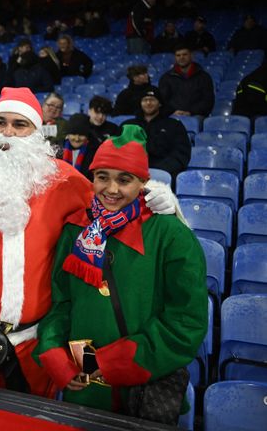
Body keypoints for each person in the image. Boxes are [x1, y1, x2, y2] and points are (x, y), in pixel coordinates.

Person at [0, 87, 178, 396]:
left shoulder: (62, 179)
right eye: (0, 122)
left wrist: (149, 199)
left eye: (20, 125)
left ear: (36, 131)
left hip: (28, 341)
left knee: (26, 418)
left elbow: (110, 207)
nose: (8, 133)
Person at [33, 125, 206, 423]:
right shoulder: (76, 229)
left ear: (143, 182)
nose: (111, 189)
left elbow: (186, 322)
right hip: (84, 389)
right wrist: (54, 353)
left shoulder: (172, 235)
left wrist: (112, 363)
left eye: (124, 180)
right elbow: (61, 303)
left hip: (143, 391)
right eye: (102, 177)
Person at [122, 87, 191, 178]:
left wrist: (159, 171)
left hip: (163, 174)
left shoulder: (174, 125)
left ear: (160, 103)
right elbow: (118, 150)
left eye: (152, 100)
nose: (148, 103)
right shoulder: (128, 125)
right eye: (145, 100)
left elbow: (181, 154)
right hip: (131, 173)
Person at [158, 43, 215, 117]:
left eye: (185, 54)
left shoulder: (204, 77)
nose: (181, 57)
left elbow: (208, 101)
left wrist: (191, 112)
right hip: (173, 115)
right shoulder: (166, 78)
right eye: (178, 55)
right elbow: (162, 101)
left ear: (191, 55)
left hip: (196, 116)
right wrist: (173, 112)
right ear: (175, 57)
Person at [57, 113, 94, 180]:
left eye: (81, 135)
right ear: (68, 134)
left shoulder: (93, 152)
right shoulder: (58, 150)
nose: (77, 139)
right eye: (73, 134)